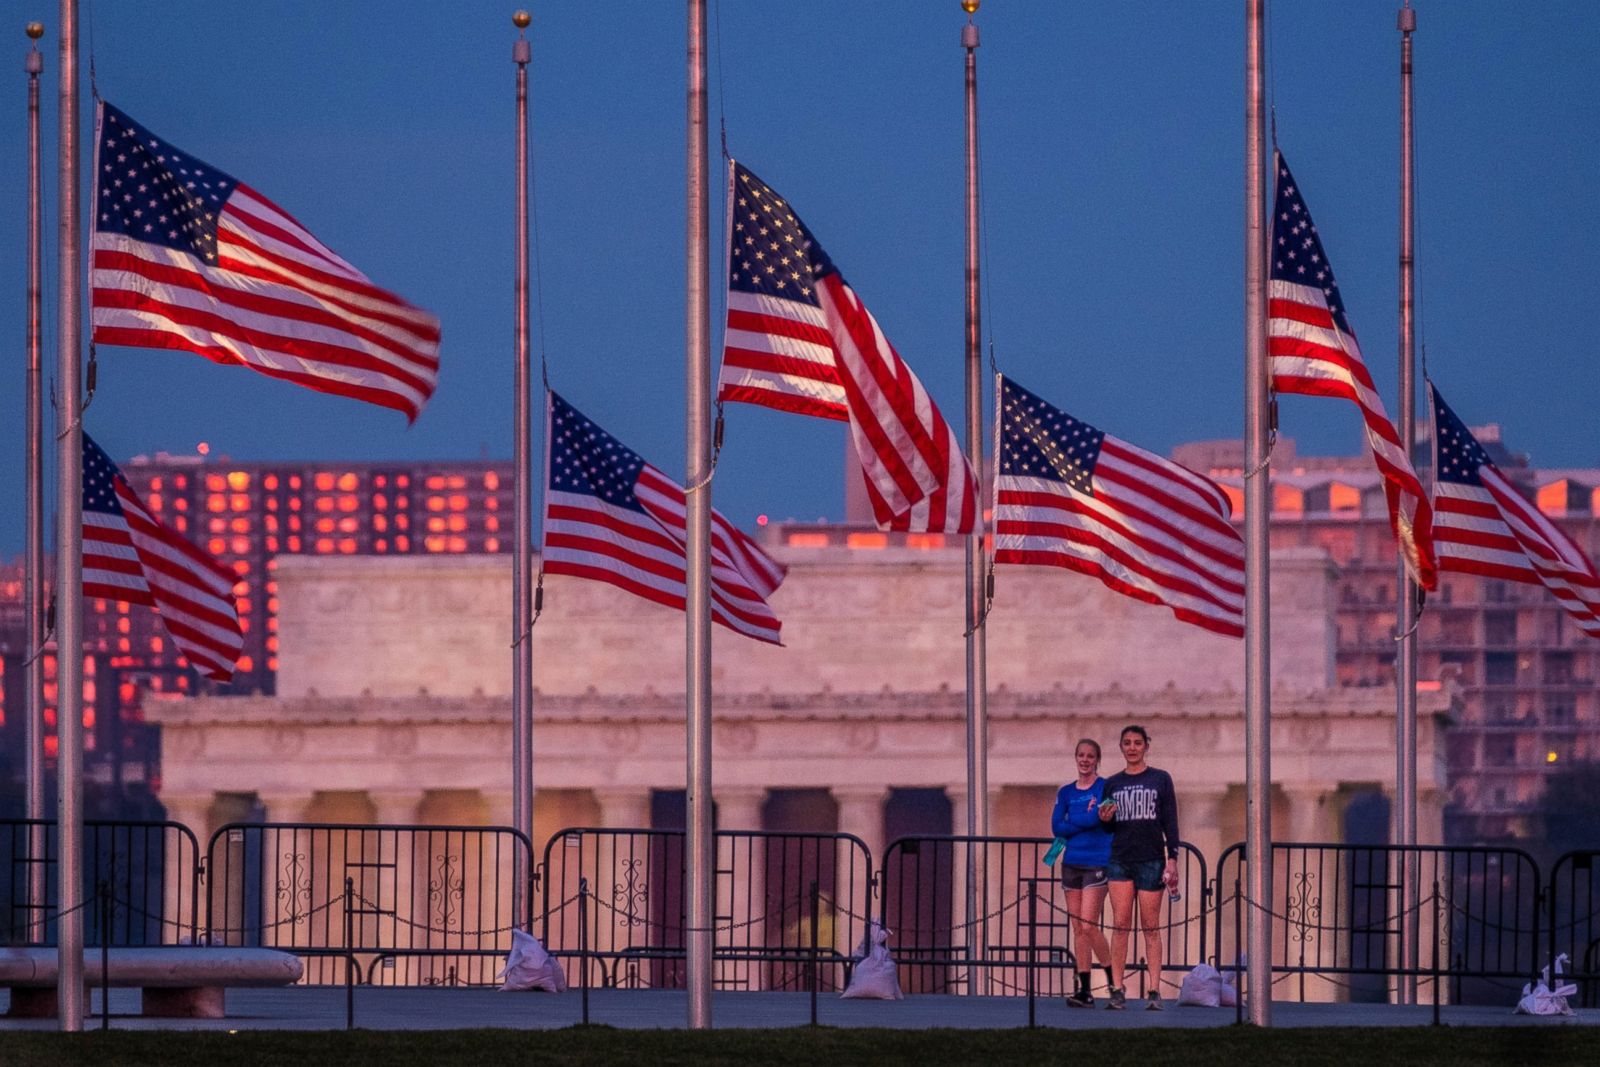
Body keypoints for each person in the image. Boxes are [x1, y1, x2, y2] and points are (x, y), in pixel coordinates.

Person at [1097, 724, 1181, 1011]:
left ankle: (1154, 989)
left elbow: (1170, 820)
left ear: (1147, 745)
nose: (1132, 747)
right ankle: (1117, 988)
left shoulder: (1160, 779)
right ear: (1121, 747)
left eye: (1137, 742)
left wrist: (1173, 858)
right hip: (1121, 858)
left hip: (1152, 858)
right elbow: (1108, 827)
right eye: (1127, 743)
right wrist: (1105, 817)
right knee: (1120, 925)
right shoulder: (1112, 783)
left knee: (1150, 926)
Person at [1049, 738, 1114, 1008]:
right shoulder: (1066, 792)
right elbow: (1056, 828)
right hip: (1071, 862)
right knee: (1078, 928)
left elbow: (1103, 817)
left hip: (1097, 862)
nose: (1085, 760)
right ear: (1075, 758)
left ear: (1097, 759)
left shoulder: (1105, 787)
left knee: (1089, 925)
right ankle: (1085, 990)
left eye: (1090, 756)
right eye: (1081, 755)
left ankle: (1113, 980)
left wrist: (1073, 821)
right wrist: (1088, 819)